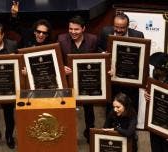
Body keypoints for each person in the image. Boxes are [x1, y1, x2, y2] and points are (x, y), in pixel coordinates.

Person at [58, 15, 97, 143]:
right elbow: (56, 58)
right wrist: (62, 67)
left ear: (83, 29)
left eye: (76, 29)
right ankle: (66, 135)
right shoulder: (61, 39)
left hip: (87, 80)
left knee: (89, 109)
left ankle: (89, 132)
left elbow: (99, 57)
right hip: (68, 80)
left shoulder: (93, 40)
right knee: (67, 108)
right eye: (71, 29)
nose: (73, 32)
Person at [97, 12, 144, 113]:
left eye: (122, 27)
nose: (118, 30)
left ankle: (130, 126)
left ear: (128, 26)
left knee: (130, 105)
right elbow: (99, 47)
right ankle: (111, 125)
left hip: (130, 78)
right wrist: (103, 53)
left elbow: (143, 58)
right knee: (111, 104)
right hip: (112, 76)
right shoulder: (105, 31)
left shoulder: (138, 35)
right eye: (116, 26)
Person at [144, 52, 168, 152]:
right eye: (155, 68)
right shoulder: (153, 81)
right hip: (155, 123)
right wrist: (147, 95)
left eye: (159, 69)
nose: (156, 71)